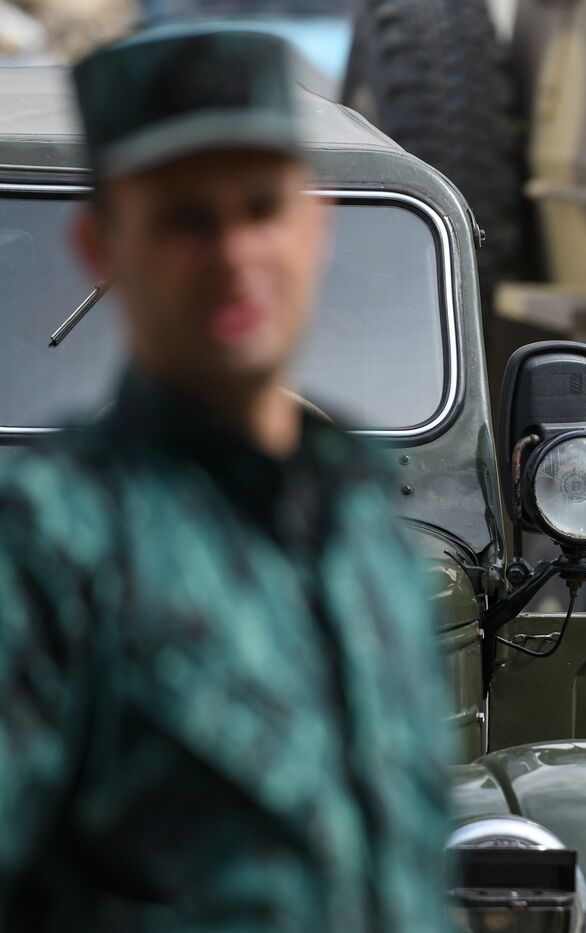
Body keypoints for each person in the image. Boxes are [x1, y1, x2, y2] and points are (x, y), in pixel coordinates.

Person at [0, 32, 451, 931]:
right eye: (183, 219)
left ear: (316, 227)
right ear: (101, 247)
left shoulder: (368, 543)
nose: (233, 251)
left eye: (260, 208)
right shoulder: (50, 543)